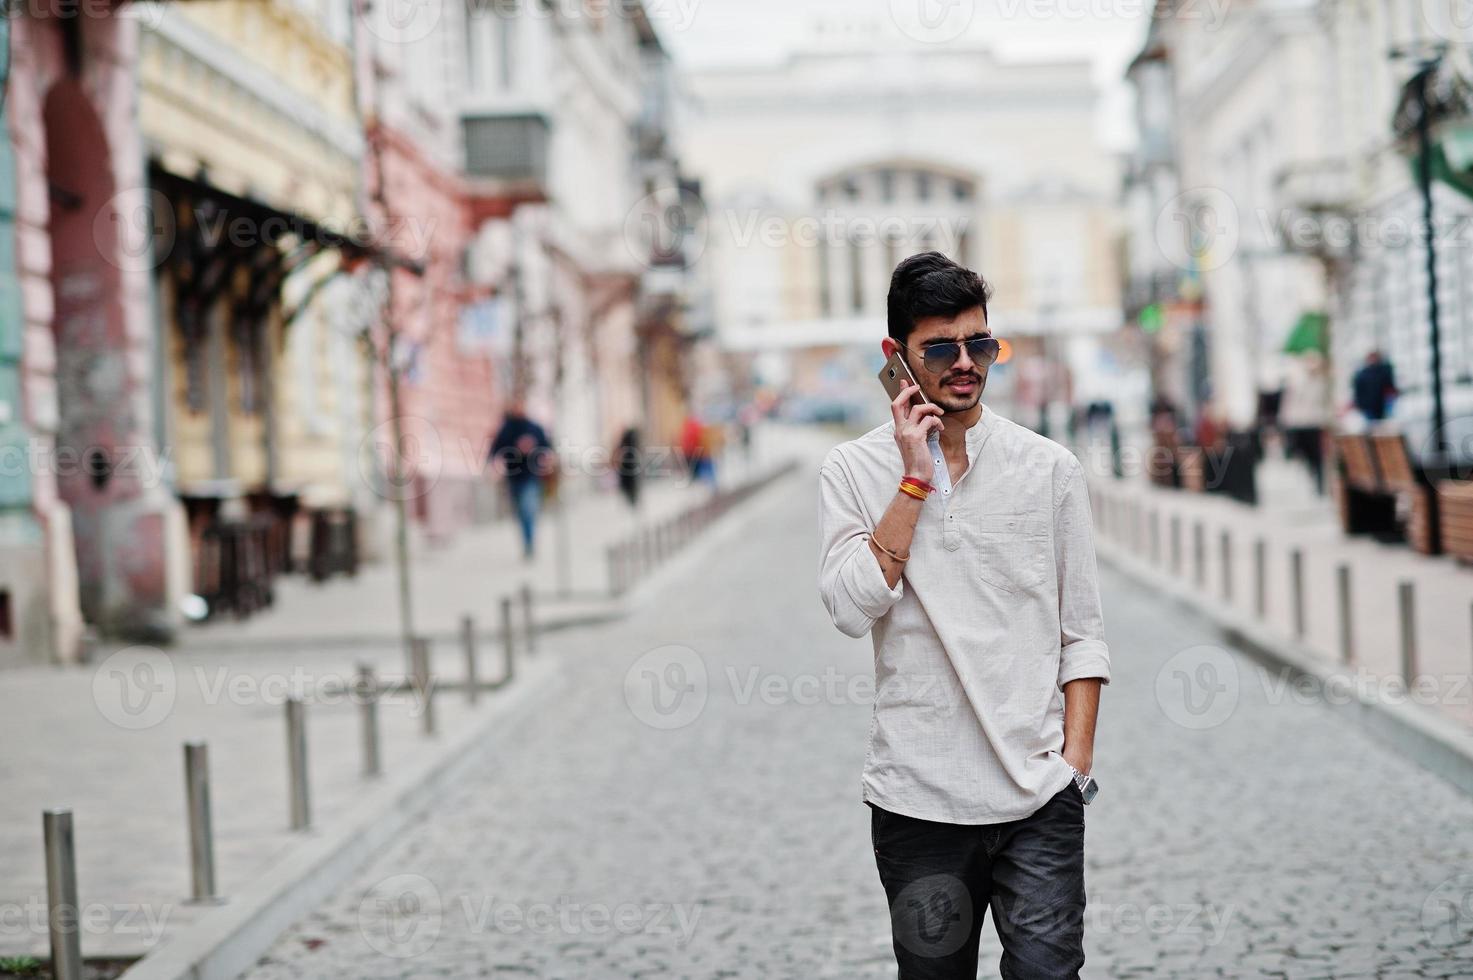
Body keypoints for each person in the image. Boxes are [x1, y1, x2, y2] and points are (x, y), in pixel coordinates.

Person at [818, 252, 1109, 979]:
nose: (965, 364)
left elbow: (1082, 636)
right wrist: (913, 478)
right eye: (939, 348)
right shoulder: (853, 472)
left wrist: (1072, 770)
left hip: (1038, 800)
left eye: (979, 344)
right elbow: (850, 606)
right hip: (918, 802)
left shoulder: (1047, 469)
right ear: (894, 358)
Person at [489, 400, 553, 559]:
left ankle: (530, 543)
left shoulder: (534, 427)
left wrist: (535, 450)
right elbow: (495, 450)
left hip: (531, 476)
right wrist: (494, 466)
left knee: (528, 509)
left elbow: (547, 448)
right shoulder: (507, 428)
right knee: (519, 513)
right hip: (513, 477)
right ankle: (526, 541)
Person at [1352, 350, 1398, 422]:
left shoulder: (1384, 372)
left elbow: (1390, 387)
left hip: (1382, 405)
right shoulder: (1362, 374)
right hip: (1368, 407)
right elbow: (1358, 391)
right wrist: (1360, 404)